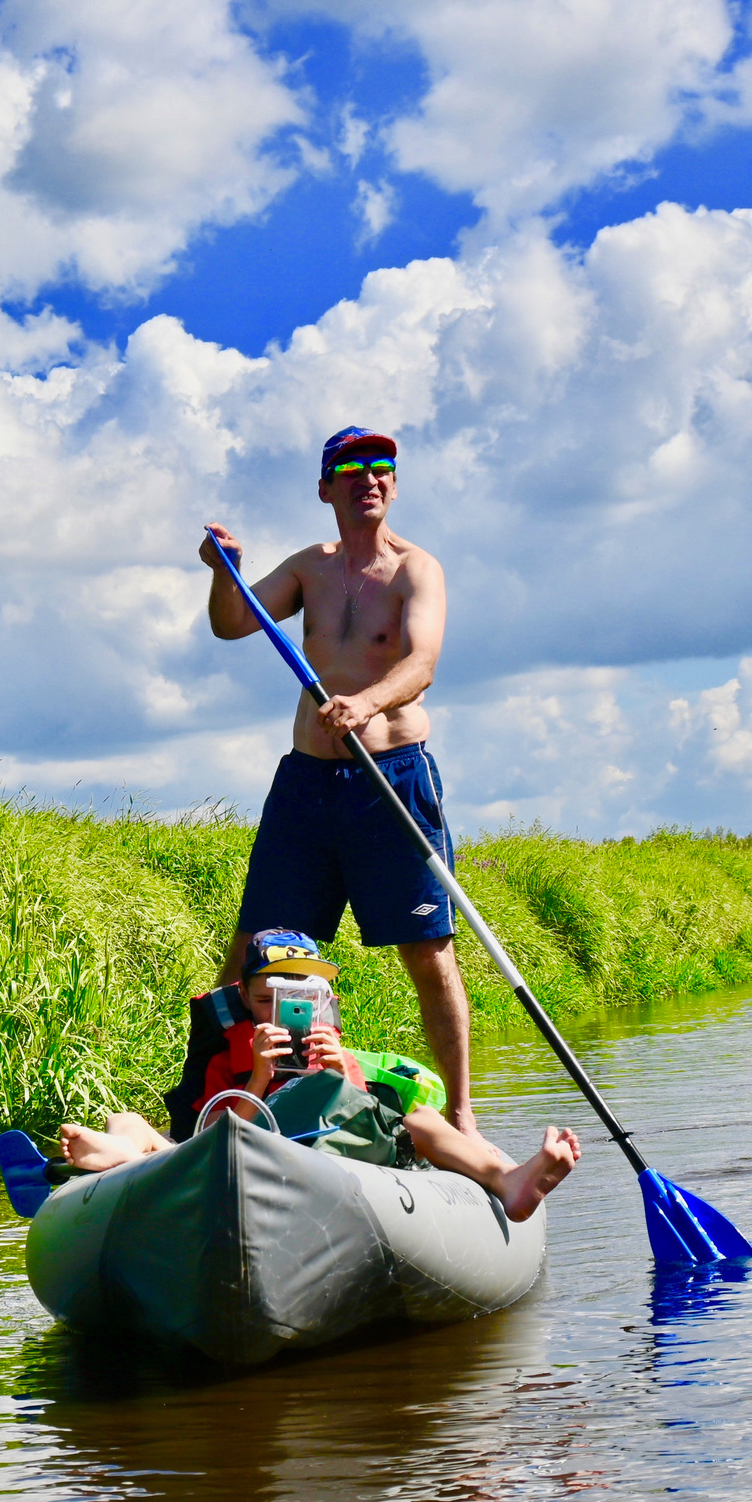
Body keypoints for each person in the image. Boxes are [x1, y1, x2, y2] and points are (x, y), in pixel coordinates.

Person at [200, 427, 485, 1138]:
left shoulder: (417, 569)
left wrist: (366, 702)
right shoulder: (310, 567)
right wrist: (223, 570)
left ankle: (461, 1113)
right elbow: (232, 623)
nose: (370, 478)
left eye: (382, 467)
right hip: (307, 787)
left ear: (393, 483)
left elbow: (422, 662)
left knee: (429, 951)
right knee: (249, 953)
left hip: (391, 780)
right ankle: (206, 1108)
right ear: (326, 487)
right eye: (352, 468)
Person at [57, 930, 582, 1222]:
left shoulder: (333, 1049)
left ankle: (506, 1180)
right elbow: (215, 1137)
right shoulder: (231, 1057)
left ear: (323, 1003)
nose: (281, 1012)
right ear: (243, 997)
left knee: (419, 1118)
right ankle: (120, 1154)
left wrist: (339, 1075)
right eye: (266, 1000)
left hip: (331, 1149)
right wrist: (259, 1076)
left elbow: (367, 1120)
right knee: (125, 1117)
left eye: (300, 1001)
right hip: (247, 1145)